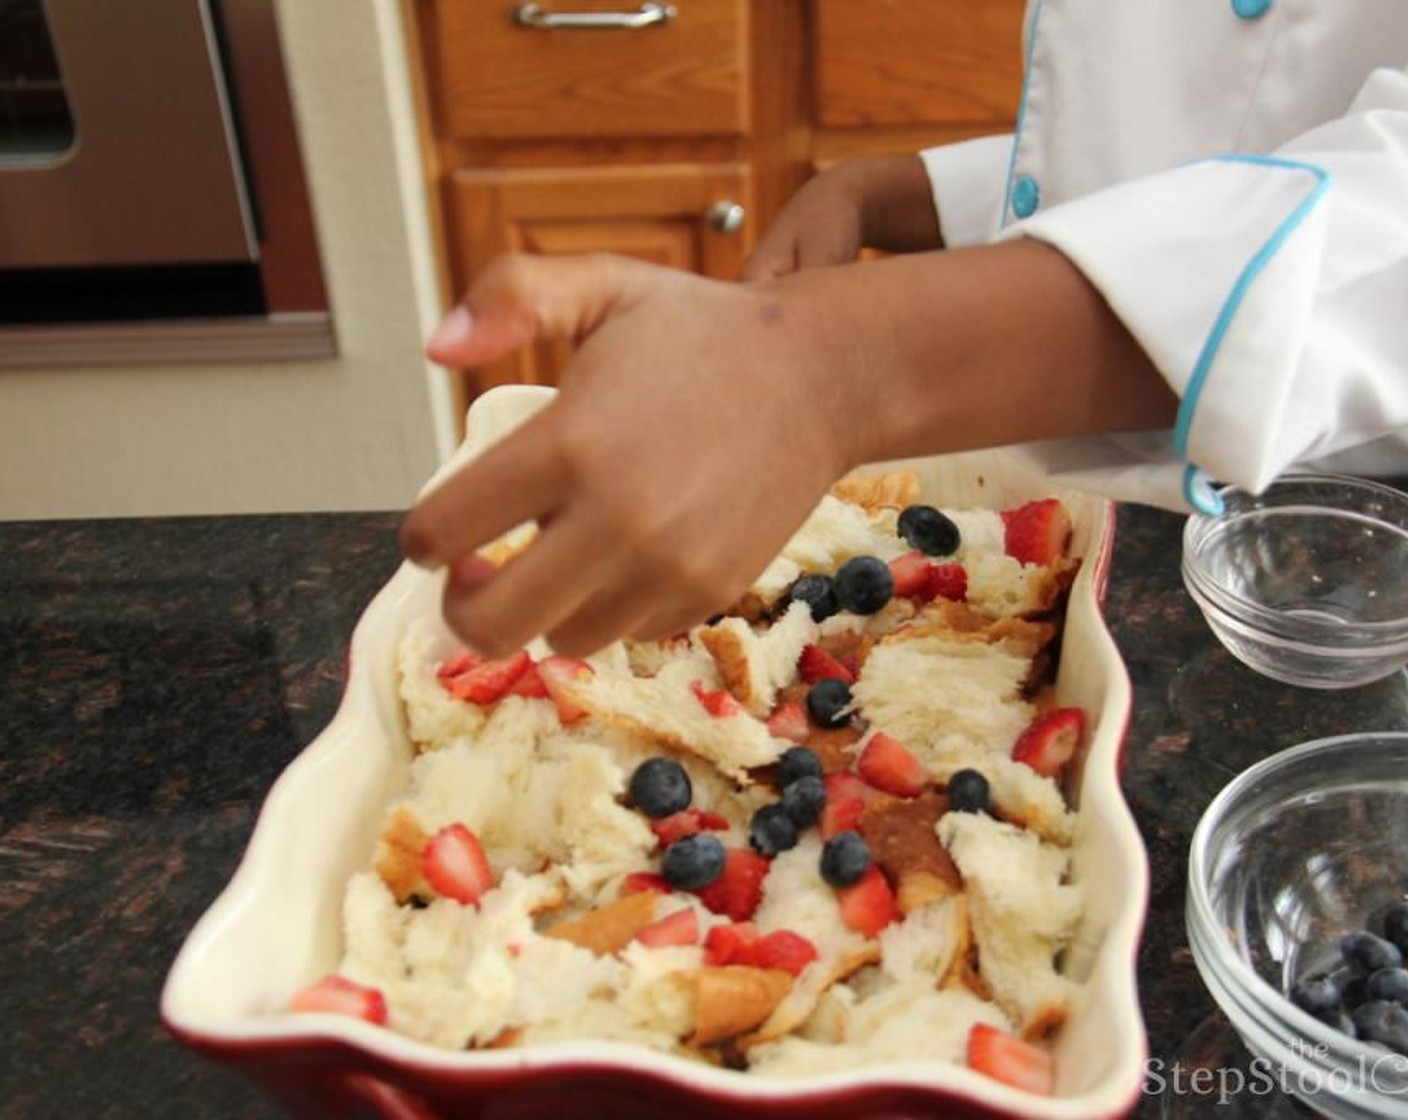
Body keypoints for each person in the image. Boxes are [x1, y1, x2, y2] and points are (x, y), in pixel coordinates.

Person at [400, 1, 1408, 659]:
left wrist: (831, 369)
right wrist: (898, 192)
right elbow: (1200, 139)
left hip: (1357, 574)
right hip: (1158, 511)